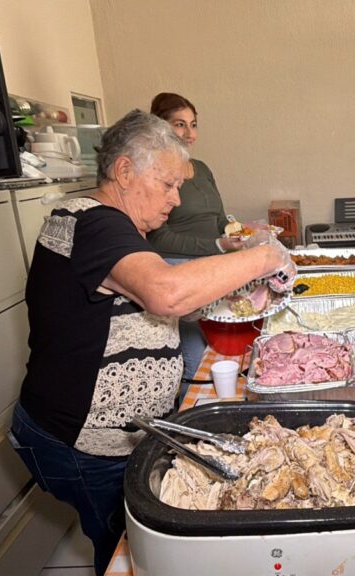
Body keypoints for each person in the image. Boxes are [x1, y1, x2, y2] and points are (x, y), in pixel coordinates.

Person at [9, 109, 294, 575]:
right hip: (82, 441)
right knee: (129, 551)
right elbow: (166, 293)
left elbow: (154, 298)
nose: (176, 200)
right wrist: (265, 256)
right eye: (167, 185)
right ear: (124, 171)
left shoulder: (117, 229)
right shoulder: (92, 222)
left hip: (115, 432)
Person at [146, 92, 241, 383]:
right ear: (159, 127)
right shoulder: (154, 173)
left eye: (193, 124)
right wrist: (215, 245)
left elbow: (220, 219)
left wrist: (239, 232)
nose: (189, 133)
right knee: (195, 359)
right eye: (179, 124)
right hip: (180, 273)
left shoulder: (201, 168)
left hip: (213, 272)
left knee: (220, 354)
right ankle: (187, 421)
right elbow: (158, 239)